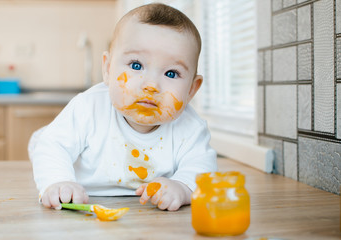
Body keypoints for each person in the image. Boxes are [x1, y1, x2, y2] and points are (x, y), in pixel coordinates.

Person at [30, 3, 217, 212]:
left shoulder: (191, 128)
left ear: (192, 89)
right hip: (87, 195)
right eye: (136, 65)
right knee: (44, 141)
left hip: (142, 214)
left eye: (171, 73)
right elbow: (53, 146)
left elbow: (202, 167)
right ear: (108, 69)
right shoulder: (89, 107)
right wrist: (58, 181)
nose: (151, 85)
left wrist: (182, 187)